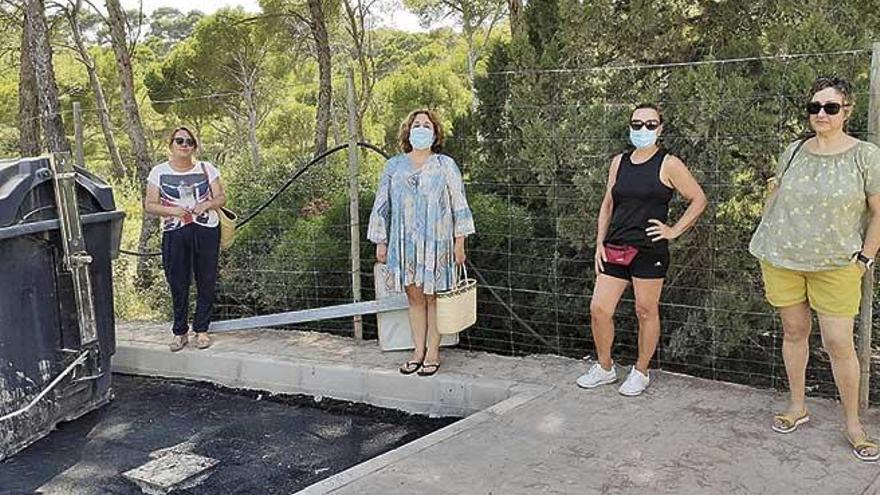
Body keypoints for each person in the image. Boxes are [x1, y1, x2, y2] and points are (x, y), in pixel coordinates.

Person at [749, 75, 880, 462]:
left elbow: (878, 214)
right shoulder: (793, 150)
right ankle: (797, 406)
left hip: (838, 266)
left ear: (847, 111)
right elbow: (776, 193)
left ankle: (854, 424)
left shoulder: (866, 155)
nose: (821, 114)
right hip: (783, 259)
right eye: (814, 107)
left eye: (830, 107)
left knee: (839, 344)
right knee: (793, 332)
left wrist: (865, 259)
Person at [577, 103, 707, 396]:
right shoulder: (618, 162)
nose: (643, 130)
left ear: (660, 129)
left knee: (645, 311)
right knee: (599, 309)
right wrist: (600, 242)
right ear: (630, 128)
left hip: (649, 250)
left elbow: (698, 199)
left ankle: (641, 371)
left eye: (650, 124)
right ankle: (605, 367)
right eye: (637, 124)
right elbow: (607, 204)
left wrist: (673, 230)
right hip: (615, 247)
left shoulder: (669, 163)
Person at [368, 109, 475, 376]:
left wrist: (459, 242)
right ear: (408, 130)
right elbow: (382, 205)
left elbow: (458, 204)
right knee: (414, 297)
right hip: (404, 244)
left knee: (434, 299)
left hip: (437, 243)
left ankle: (433, 353)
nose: (421, 128)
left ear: (435, 132)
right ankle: (417, 351)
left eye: (427, 125)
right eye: (417, 124)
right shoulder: (393, 166)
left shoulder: (445, 165)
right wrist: (380, 242)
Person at [145, 127, 226, 352]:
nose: (184, 145)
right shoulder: (158, 172)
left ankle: (202, 329)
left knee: (206, 279)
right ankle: (180, 332)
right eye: (179, 141)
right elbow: (150, 205)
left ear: (194, 146)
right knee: (178, 281)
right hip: (175, 230)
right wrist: (173, 211)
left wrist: (206, 204)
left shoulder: (206, 168)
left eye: (189, 142)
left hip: (206, 229)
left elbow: (220, 197)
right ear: (170, 144)